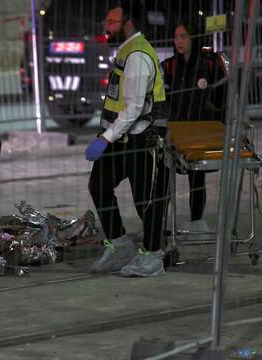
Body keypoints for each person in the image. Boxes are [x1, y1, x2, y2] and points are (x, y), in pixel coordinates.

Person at [85, 0, 168, 274]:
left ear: (127, 24)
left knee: (146, 200)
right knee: (99, 185)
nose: (105, 26)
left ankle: (154, 256)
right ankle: (120, 246)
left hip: (140, 139)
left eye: (111, 22)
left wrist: (104, 139)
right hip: (121, 137)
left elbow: (133, 109)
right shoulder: (126, 52)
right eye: (106, 21)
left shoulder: (138, 56)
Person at [161, 20, 229, 237]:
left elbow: (222, 97)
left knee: (197, 177)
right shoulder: (169, 66)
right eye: (176, 36)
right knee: (163, 174)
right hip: (176, 133)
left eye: (184, 36)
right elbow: (164, 101)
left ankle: (197, 220)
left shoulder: (209, 64)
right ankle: (161, 221)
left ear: (194, 38)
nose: (178, 41)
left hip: (200, 134)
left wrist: (215, 122)